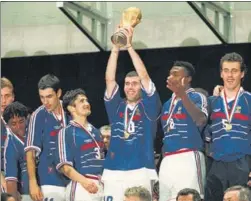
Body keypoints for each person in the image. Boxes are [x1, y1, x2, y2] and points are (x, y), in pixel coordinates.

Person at [102, 27, 161, 200]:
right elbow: (109, 79)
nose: (130, 87)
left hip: (141, 168)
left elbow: (144, 76)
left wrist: (128, 47)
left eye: (135, 83)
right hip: (113, 169)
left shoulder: (149, 106)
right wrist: (115, 48)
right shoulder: (116, 107)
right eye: (127, 83)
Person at [204, 52, 251, 201]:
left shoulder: (249, 100)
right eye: (226, 71)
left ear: (242, 74)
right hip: (217, 164)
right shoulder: (211, 101)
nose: (230, 75)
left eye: (234, 71)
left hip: (242, 162)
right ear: (221, 74)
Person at [159, 61, 208, 201]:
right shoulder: (167, 104)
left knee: (191, 197)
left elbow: (201, 120)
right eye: (170, 73)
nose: (170, 77)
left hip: (189, 156)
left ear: (187, 79)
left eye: (175, 74)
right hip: (168, 159)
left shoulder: (196, 96)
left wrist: (182, 95)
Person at [24, 74, 68, 201]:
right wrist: (33, 182)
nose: (45, 102)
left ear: (58, 93)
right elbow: (30, 152)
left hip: (74, 177)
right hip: (50, 179)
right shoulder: (37, 116)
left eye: (49, 96)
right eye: (42, 97)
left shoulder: (70, 109)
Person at [55, 88, 105, 201]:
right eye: (81, 101)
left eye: (87, 101)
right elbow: (65, 167)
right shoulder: (66, 132)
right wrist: (85, 182)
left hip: (100, 185)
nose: (87, 104)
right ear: (71, 108)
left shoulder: (96, 132)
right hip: (81, 186)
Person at [3, 102, 31, 201]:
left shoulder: (38, 132)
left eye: (21, 121)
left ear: (27, 118)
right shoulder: (11, 146)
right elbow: (11, 182)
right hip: (28, 194)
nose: (19, 126)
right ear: (8, 125)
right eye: (14, 124)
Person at [1, 77, 15, 192]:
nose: (3, 101)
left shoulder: (24, 121)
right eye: (0, 96)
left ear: (13, 97)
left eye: (7, 96)